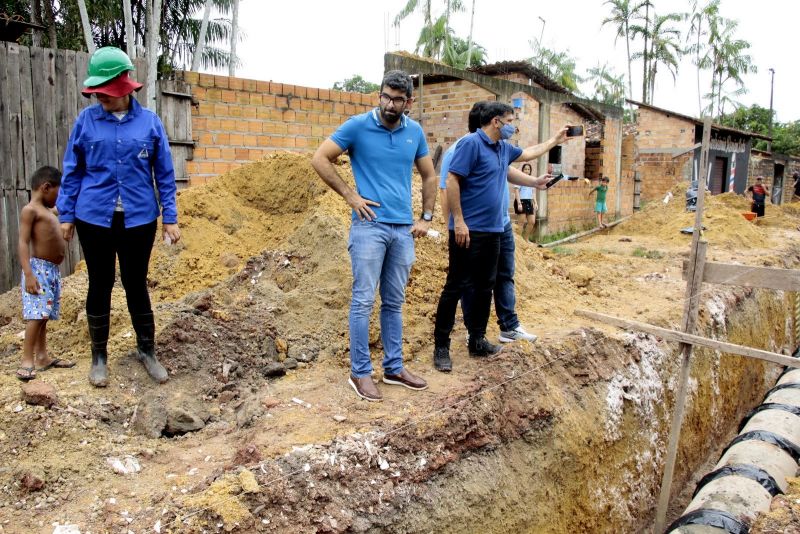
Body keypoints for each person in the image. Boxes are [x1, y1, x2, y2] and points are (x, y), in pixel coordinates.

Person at [58, 47, 181, 388]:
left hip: (139, 219)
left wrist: (169, 217)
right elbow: (73, 170)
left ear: (123, 87)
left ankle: (147, 350)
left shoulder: (150, 123)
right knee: (99, 283)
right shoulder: (86, 121)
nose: (100, 99)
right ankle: (99, 357)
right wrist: (67, 215)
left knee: (135, 283)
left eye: (105, 93)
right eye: (96, 94)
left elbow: (165, 174)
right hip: (93, 218)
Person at [312, 70, 437, 402]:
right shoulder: (358, 126)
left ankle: (394, 367)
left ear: (408, 102)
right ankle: (360, 372)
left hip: (402, 230)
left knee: (394, 302)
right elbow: (320, 158)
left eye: (397, 99)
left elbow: (429, 175)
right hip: (369, 227)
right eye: (385, 96)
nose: (389, 104)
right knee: (364, 300)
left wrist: (426, 217)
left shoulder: (415, 133)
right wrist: (350, 196)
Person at [432, 101, 570, 370]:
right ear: (496, 122)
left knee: (485, 285)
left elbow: (529, 153)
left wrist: (554, 140)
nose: (513, 126)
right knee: (456, 286)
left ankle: (477, 340)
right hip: (467, 231)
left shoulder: (502, 148)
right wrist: (458, 221)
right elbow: (451, 181)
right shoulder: (471, 144)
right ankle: (441, 346)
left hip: (494, 230)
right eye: (510, 120)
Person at [16, 167, 76, 381]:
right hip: (38, 269)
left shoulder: (50, 211)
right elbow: (22, 242)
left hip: (51, 271)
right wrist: (28, 274)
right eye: (58, 193)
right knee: (36, 315)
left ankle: (42, 357)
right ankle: (27, 360)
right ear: (46, 187)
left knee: (44, 316)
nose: (58, 199)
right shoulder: (31, 210)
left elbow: (67, 210)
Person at [514, 163, 538, 241]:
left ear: (530, 171)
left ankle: (525, 239)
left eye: (528, 169)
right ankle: (518, 241)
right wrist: (519, 203)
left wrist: (535, 202)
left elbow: (533, 192)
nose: (527, 171)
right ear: (523, 170)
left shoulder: (532, 180)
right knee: (521, 223)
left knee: (532, 222)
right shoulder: (520, 179)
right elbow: (516, 191)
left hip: (529, 202)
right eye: (525, 169)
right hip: (521, 201)